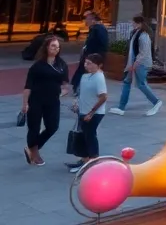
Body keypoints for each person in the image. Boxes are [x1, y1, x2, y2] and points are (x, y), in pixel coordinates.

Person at [21, 36, 70, 166]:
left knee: (53, 126)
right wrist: (25, 103)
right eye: (53, 46)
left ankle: (32, 148)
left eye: (58, 47)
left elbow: (65, 85)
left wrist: (62, 92)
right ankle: (34, 153)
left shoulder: (62, 65)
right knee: (34, 127)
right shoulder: (37, 66)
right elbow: (28, 86)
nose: (56, 49)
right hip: (36, 100)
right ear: (47, 47)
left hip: (53, 101)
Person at [110, 15, 161, 116]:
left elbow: (144, 52)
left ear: (139, 23)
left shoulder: (144, 35)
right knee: (127, 82)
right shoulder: (136, 33)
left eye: (133, 22)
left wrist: (135, 64)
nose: (132, 24)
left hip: (140, 64)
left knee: (141, 84)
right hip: (133, 63)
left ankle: (156, 102)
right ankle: (121, 107)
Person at [68, 53, 107, 173]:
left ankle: (93, 161)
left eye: (90, 63)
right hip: (83, 111)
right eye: (86, 62)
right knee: (83, 136)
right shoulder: (85, 76)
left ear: (99, 65)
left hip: (93, 113)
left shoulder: (99, 78)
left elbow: (103, 97)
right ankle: (85, 159)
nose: (86, 65)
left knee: (89, 136)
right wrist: (77, 104)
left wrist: (91, 112)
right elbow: (82, 93)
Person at [72, 11, 108, 94]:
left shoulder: (98, 29)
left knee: (86, 71)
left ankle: (78, 88)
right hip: (90, 55)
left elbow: (103, 44)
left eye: (87, 19)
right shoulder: (95, 29)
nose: (86, 21)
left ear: (93, 20)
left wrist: (96, 56)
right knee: (83, 71)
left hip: (92, 56)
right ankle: (77, 88)